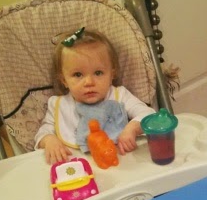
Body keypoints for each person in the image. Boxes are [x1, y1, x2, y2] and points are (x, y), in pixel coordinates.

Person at [35, 27, 155, 164]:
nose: (89, 82)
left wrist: (132, 128)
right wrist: (49, 140)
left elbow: (149, 115)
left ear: (112, 74)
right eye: (78, 75)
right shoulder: (58, 105)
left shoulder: (119, 95)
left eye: (98, 73)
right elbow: (42, 133)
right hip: (78, 167)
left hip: (122, 161)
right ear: (64, 80)